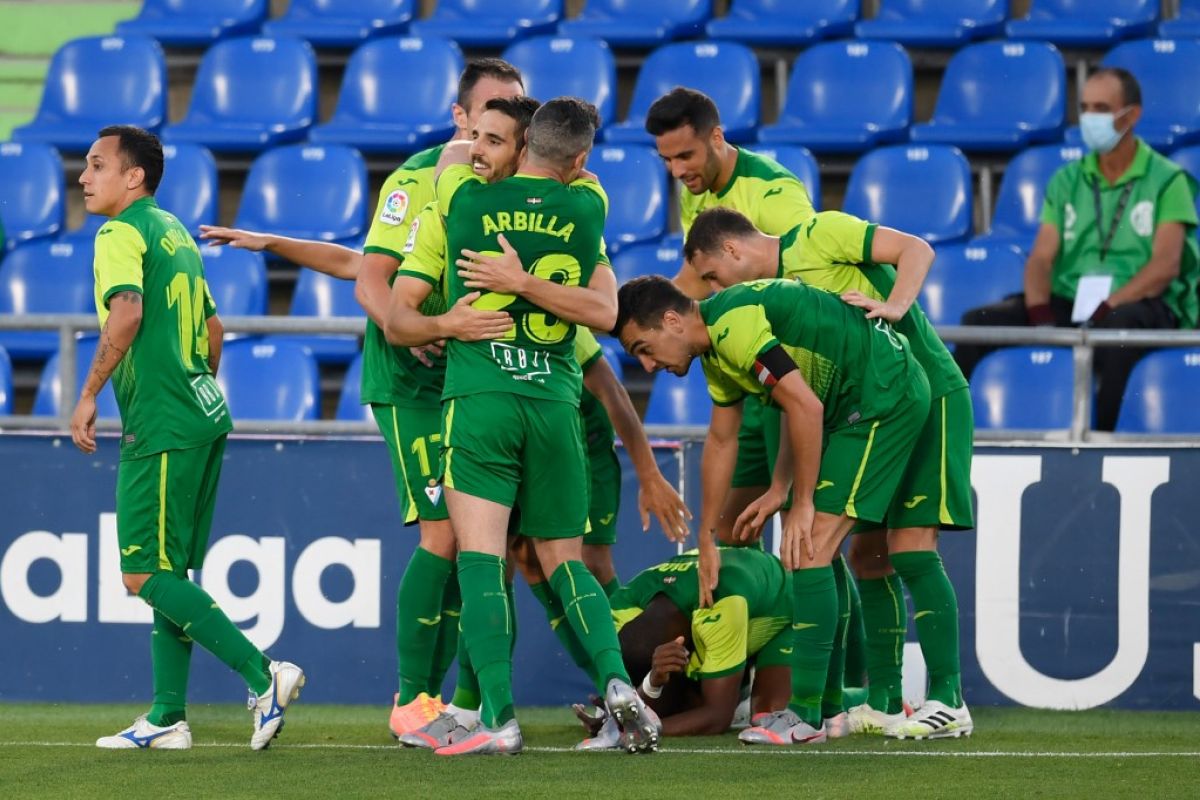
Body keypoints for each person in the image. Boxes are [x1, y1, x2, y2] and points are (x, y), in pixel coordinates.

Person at [202, 58, 526, 739]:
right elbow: (370, 274)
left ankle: (458, 701)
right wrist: (409, 330)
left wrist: (276, 242)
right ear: (462, 115)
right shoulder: (414, 179)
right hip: (412, 378)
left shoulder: (514, 188)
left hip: (472, 379)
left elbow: (357, 259)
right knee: (444, 533)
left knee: (481, 544)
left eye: (517, 109)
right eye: (493, 107)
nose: (505, 121)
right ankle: (411, 702)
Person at [387, 98, 660, 756]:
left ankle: (498, 718)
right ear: (581, 158)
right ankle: (619, 685)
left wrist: (501, 276)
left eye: (492, 138)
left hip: (482, 396)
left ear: (521, 143)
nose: (478, 147)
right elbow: (605, 308)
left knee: (481, 563)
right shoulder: (588, 204)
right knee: (565, 562)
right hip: (555, 403)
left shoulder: (459, 201)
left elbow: (451, 161)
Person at [684, 207, 975, 739]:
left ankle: (948, 698)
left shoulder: (819, 233)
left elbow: (918, 248)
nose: (712, 288)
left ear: (731, 251)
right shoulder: (770, 303)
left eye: (710, 276)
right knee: (868, 556)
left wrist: (893, 306)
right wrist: (783, 485)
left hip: (928, 391)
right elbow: (806, 398)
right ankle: (886, 700)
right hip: (866, 409)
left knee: (911, 546)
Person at [615, 276, 930, 745]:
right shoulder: (717, 351)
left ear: (672, 320)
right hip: (854, 400)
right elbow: (724, 439)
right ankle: (827, 708)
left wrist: (801, 503)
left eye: (644, 347)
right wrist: (710, 535)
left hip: (882, 394)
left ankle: (807, 717)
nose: (646, 364)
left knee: (809, 546)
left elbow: (804, 404)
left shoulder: (734, 327)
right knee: (813, 551)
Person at [70, 126, 303, 751]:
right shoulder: (172, 230)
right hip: (202, 414)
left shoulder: (119, 233)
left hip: (164, 423)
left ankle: (264, 674)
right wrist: (193, 389)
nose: (84, 178)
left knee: (143, 574)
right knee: (172, 571)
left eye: (97, 166)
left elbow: (128, 313)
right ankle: (168, 716)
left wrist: (90, 393)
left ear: (133, 176)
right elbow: (215, 328)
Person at [954, 67, 1200, 431]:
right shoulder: (1066, 180)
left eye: (1101, 108)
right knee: (980, 322)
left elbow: (1165, 265)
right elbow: (1041, 258)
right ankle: (949, 431)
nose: (1090, 118)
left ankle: (1100, 440)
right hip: (1074, 300)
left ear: (1131, 115)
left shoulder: (1167, 180)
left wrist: (1109, 305)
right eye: (1085, 108)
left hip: (1138, 303)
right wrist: (1039, 312)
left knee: (1119, 330)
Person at [574, 546, 793, 747]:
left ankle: (739, 689)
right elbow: (634, 677)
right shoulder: (618, 611)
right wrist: (649, 685)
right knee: (676, 694)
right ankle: (726, 684)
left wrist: (639, 729)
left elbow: (718, 717)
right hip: (712, 604)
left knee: (767, 717)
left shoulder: (719, 605)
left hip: (780, 605)